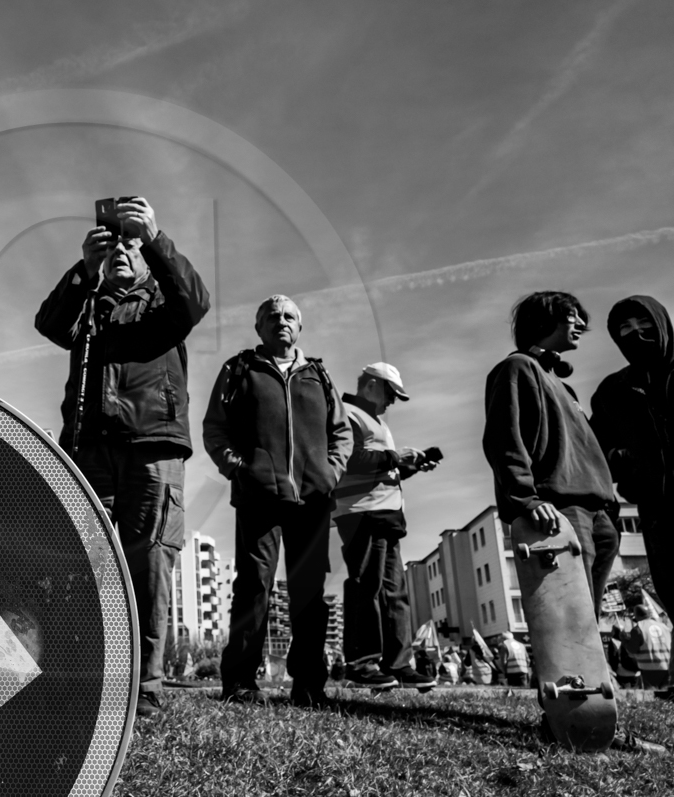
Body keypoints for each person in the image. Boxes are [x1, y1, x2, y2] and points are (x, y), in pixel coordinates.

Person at [35, 198, 209, 717]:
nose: (121, 253)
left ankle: (144, 689)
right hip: (89, 449)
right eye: (113, 247)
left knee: (150, 565)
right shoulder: (87, 309)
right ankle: (74, 679)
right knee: (80, 564)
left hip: (153, 448)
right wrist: (83, 270)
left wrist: (154, 238)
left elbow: (195, 302)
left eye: (130, 246)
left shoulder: (164, 305)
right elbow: (48, 324)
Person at [202, 295, 352, 706]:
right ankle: (239, 682)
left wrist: (330, 473)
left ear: (299, 328)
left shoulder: (317, 375)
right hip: (258, 497)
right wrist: (238, 468)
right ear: (259, 328)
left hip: (313, 500)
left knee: (309, 591)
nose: (281, 321)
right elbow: (215, 429)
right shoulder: (239, 370)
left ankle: (308, 683)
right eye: (272, 316)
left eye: (289, 316)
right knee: (253, 586)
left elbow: (342, 432)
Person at [482, 291, 619, 618]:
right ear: (544, 319)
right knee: (569, 621)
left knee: (588, 621)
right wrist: (526, 500)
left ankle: (592, 671)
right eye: (573, 315)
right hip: (559, 507)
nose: (582, 323)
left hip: (598, 513)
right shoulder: (518, 367)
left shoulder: (563, 386)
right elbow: (504, 439)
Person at [331, 362, 438, 690]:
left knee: (394, 594)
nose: (393, 401)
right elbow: (347, 460)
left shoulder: (374, 421)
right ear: (372, 385)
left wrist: (408, 466)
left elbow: (379, 469)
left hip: (384, 515)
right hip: (362, 514)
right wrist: (395, 457)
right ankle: (362, 663)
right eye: (391, 392)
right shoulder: (347, 412)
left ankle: (398, 664)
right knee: (369, 588)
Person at [590, 296, 674, 623]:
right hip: (658, 513)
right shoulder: (614, 391)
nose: (636, 332)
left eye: (644, 323)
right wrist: (628, 462)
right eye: (625, 327)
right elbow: (596, 453)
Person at [614, 605, 671, 690]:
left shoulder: (638, 628)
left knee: (651, 696)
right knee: (667, 696)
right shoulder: (664, 627)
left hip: (650, 669)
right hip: (668, 667)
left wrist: (624, 641)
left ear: (636, 615)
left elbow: (632, 650)